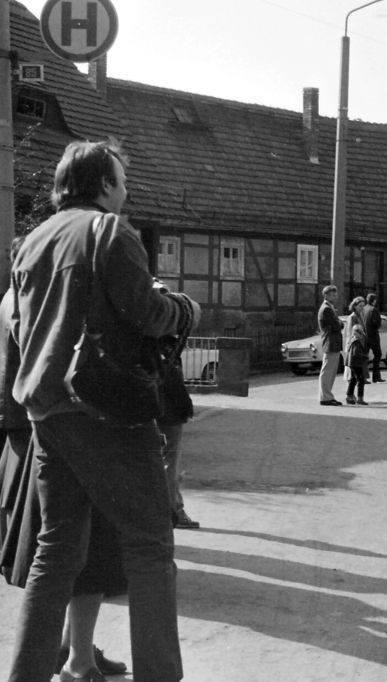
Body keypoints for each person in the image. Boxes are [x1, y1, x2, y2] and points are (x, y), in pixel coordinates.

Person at [8, 140, 200, 682]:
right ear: (105, 185)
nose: (127, 191)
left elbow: (20, 330)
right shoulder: (110, 231)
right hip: (107, 410)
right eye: (122, 181)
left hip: (47, 414)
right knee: (150, 546)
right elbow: (147, 313)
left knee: (56, 551)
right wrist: (184, 308)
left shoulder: (30, 243)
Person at [2, 238, 129, 682]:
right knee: (80, 551)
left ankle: (73, 649)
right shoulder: (34, 300)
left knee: (64, 551)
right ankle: (77, 660)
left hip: (29, 435)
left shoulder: (16, 297)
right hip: (55, 436)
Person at [157, 330, 199, 530]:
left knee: (159, 462)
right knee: (169, 464)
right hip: (169, 415)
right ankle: (174, 511)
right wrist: (186, 409)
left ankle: (167, 510)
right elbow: (175, 386)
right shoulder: (167, 353)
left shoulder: (144, 347)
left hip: (151, 413)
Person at [317, 285, 344, 407]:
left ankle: (327, 396)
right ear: (326, 295)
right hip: (330, 343)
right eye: (333, 295)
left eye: (335, 294)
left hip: (332, 343)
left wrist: (339, 323)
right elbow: (337, 325)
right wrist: (339, 323)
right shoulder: (326, 309)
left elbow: (338, 323)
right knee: (328, 371)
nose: (335, 297)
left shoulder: (329, 308)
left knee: (330, 371)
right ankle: (325, 397)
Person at [344, 297, 369, 405]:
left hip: (360, 348)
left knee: (355, 377)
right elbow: (351, 333)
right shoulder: (353, 317)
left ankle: (351, 396)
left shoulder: (361, 316)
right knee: (356, 377)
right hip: (355, 350)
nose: (362, 308)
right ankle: (354, 396)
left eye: (363, 306)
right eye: (360, 306)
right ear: (354, 306)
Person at [363, 293, 385, 383]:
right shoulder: (373, 310)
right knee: (378, 355)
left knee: (364, 356)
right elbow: (377, 323)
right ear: (374, 301)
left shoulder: (363, 309)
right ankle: (376, 376)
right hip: (373, 336)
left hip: (364, 336)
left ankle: (363, 377)